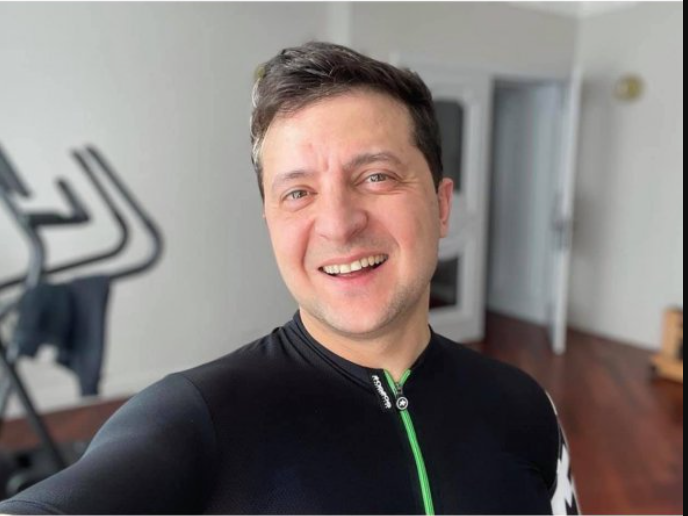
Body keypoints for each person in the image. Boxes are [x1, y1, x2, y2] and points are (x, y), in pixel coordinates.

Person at [0, 42, 580, 515]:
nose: (339, 224)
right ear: (271, 222)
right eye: (298, 193)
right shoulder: (190, 419)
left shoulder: (525, 406)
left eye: (376, 177)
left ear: (442, 205)